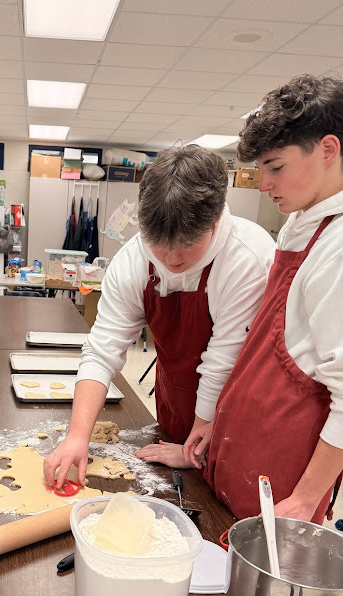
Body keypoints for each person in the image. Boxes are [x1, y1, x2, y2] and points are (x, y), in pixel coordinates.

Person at [44, 144, 274, 489]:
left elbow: (223, 363)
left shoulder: (247, 258)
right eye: (157, 244)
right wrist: (77, 436)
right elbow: (102, 350)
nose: (170, 257)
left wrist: (193, 449)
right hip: (177, 402)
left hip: (238, 413)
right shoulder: (132, 259)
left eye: (185, 245)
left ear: (214, 222)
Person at [184, 74, 343, 525]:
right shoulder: (301, 224)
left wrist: (308, 496)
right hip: (244, 453)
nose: (263, 184)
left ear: (328, 150)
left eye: (275, 167)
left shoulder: (338, 247)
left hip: (285, 474)